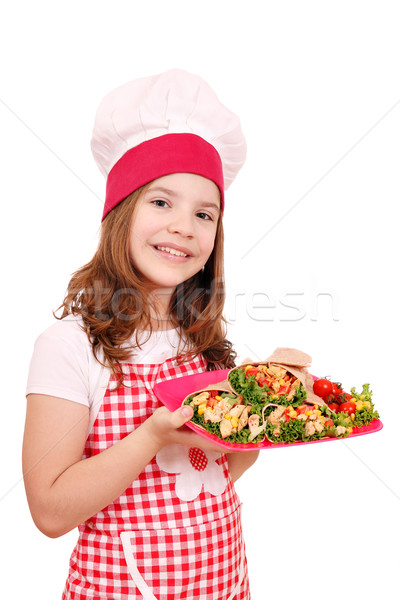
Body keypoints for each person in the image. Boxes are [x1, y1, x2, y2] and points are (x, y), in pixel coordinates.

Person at [23, 69, 258, 600]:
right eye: (160, 202)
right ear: (118, 213)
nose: (184, 226)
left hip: (224, 584)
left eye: (204, 213)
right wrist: (152, 436)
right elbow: (50, 511)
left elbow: (223, 470)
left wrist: (268, 401)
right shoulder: (69, 348)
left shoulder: (203, 340)